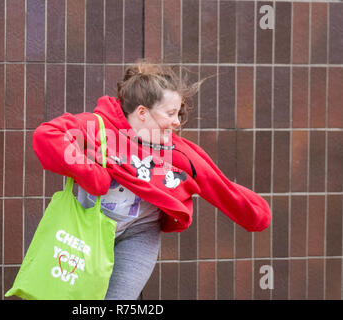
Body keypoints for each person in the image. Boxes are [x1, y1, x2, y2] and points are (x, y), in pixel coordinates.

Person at [32, 59, 271, 300]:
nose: (177, 121)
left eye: (178, 113)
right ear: (143, 113)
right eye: (170, 113)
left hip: (139, 233)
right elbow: (47, 135)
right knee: (68, 298)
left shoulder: (178, 152)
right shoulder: (97, 127)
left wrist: (254, 213)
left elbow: (215, 182)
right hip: (86, 229)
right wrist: (94, 175)